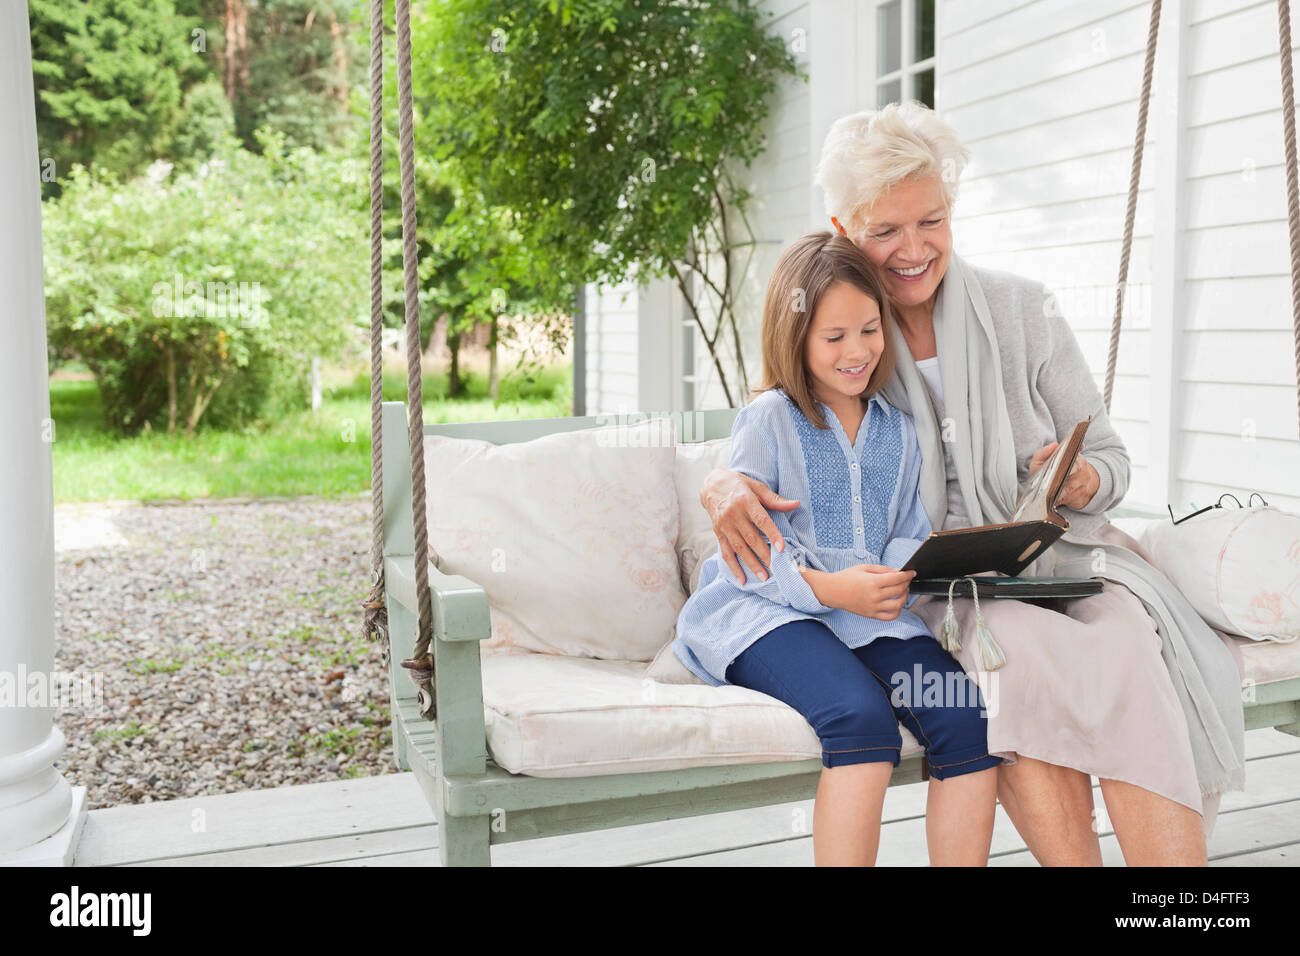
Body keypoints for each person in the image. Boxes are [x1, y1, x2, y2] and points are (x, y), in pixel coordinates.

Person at [697, 101, 1246, 867]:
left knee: (1129, 650)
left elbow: (1114, 463)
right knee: (1008, 663)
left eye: (933, 220)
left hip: (1061, 557)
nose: (914, 248)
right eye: (885, 230)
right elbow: (783, 421)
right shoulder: (848, 330)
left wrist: (1080, 477)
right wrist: (721, 481)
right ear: (842, 228)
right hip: (941, 584)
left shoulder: (1024, 309)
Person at [672, 230, 1003, 867]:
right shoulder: (769, 420)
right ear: (795, 338)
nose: (857, 351)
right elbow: (751, 553)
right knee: (861, 718)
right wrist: (829, 589)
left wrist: (905, 570)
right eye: (834, 337)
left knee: (965, 716)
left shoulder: (899, 429)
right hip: (766, 614)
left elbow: (908, 523)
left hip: (869, 616)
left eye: (870, 330)